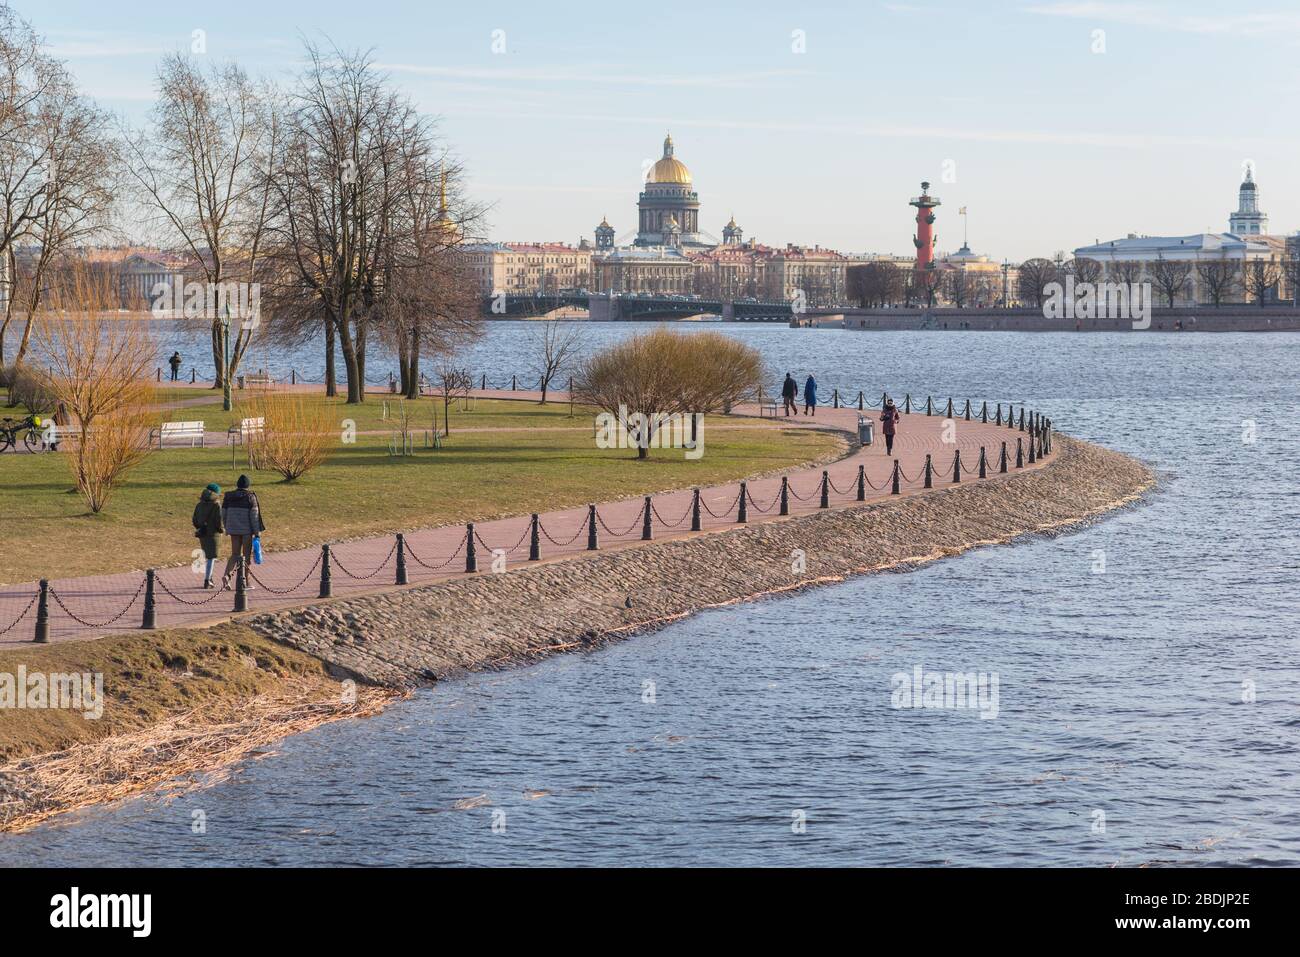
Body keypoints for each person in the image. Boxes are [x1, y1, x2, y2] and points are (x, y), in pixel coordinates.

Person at [221, 474, 265, 589]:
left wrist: (226, 527)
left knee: (235, 555)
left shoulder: (228, 496)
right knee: (246, 557)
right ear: (247, 485)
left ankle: (227, 575)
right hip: (247, 531)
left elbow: (223, 514)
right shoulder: (251, 497)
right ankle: (245, 582)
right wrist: (257, 532)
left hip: (233, 530)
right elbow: (254, 517)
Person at [192, 483, 223, 589]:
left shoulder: (199, 504)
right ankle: (207, 580)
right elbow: (219, 520)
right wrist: (221, 529)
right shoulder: (216, 505)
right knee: (212, 557)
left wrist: (199, 526)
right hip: (213, 533)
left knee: (207, 555)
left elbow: (194, 519)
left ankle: (209, 578)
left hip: (203, 533)